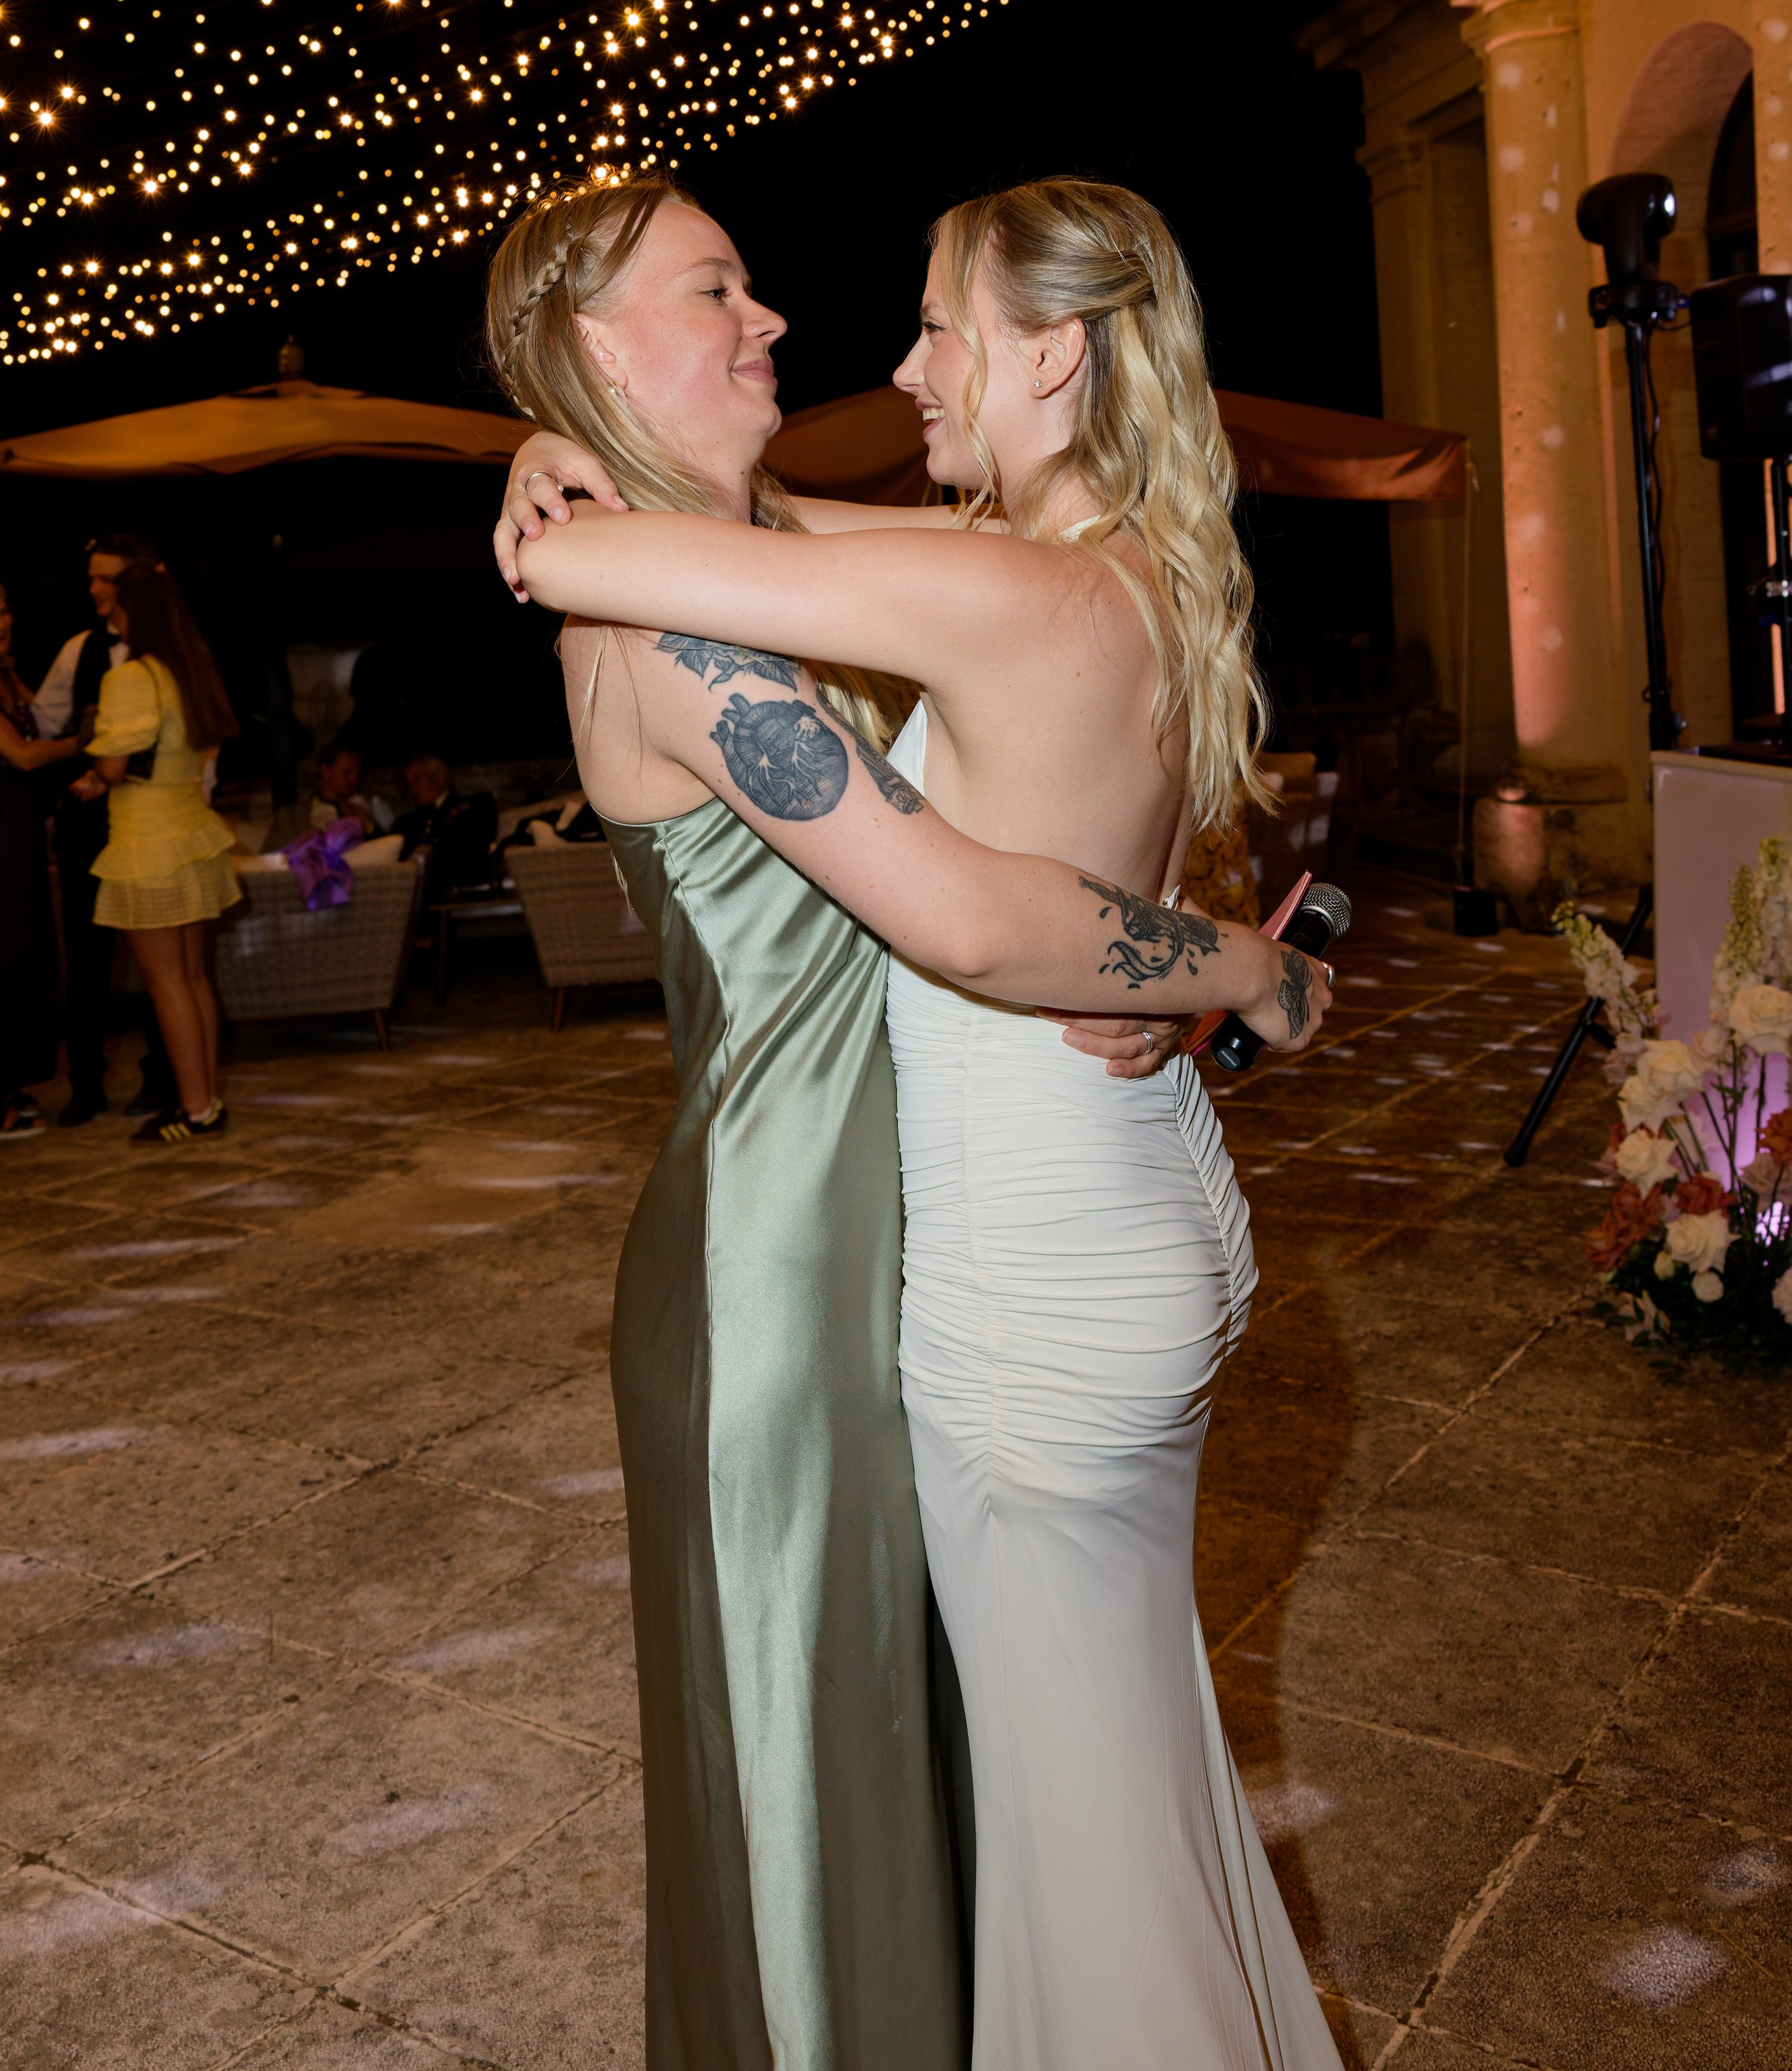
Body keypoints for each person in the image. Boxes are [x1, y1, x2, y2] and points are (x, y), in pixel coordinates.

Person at [485, 175, 1330, 2071]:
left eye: (938, 325)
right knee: (983, 1797)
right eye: (718, 287)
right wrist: (556, 429)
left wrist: (1235, 975)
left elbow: (956, 901)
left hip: (996, 1265)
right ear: (605, 338)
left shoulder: (960, 579)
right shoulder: (1089, 564)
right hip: (835, 1269)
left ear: (1051, 352)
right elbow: (727, 547)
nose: (819, 331)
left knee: (1060, 1819)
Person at [75, 563, 242, 1145]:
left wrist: (96, 772)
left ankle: (194, 1108)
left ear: (131, 606)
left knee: (167, 982)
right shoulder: (186, 669)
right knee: (194, 977)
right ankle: (207, 1103)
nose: (100, 596)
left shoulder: (132, 677)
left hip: (148, 843)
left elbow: (114, 765)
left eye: (110, 591)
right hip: (191, 833)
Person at [32, 533, 171, 1124]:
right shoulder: (77, 650)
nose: (95, 589)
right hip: (91, 822)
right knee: (89, 957)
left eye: (107, 578)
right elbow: (42, 722)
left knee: (164, 966)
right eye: (91, 577)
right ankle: (85, 1081)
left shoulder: (171, 651)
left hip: (151, 821)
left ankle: (165, 1079)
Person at [0, 581, 84, 1133]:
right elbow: (24, 755)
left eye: (3, 608)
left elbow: (40, 718)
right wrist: (90, 740)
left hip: (19, 829)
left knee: (25, 950)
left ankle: (9, 1084)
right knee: (5, 953)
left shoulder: (6, 674)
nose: (2, 620)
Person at [395, 752, 497, 894]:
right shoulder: (407, 822)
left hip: (464, 890)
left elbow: (474, 845)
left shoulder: (475, 806)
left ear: (439, 776)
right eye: (409, 783)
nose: (412, 790)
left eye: (417, 779)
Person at [264, 736, 384, 851]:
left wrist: (369, 824)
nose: (354, 779)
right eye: (347, 772)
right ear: (326, 771)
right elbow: (269, 862)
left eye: (357, 773)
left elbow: (386, 853)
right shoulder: (292, 817)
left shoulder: (361, 811)